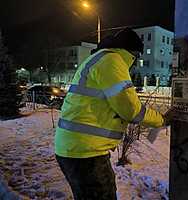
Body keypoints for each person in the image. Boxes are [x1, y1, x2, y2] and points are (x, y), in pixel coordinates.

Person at [55, 28, 172, 200]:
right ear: (131, 52)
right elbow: (130, 110)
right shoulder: (112, 61)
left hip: (76, 148)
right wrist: (162, 119)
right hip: (85, 152)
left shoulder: (100, 58)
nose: (135, 62)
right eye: (136, 57)